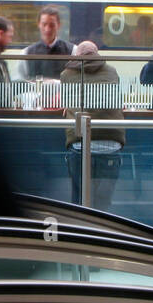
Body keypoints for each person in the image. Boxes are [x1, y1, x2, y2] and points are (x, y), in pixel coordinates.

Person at [60, 41, 124, 210]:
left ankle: (79, 233)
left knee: (79, 201)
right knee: (104, 204)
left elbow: (66, 100)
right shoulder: (112, 71)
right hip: (111, 144)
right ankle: (101, 232)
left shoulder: (66, 74)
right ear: (97, 54)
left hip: (80, 144)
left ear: (76, 56)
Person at [23, 6, 72, 79]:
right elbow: (22, 81)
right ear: (38, 24)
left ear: (58, 25)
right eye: (44, 24)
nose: (47, 29)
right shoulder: (26, 53)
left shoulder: (73, 51)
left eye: (52, 25)